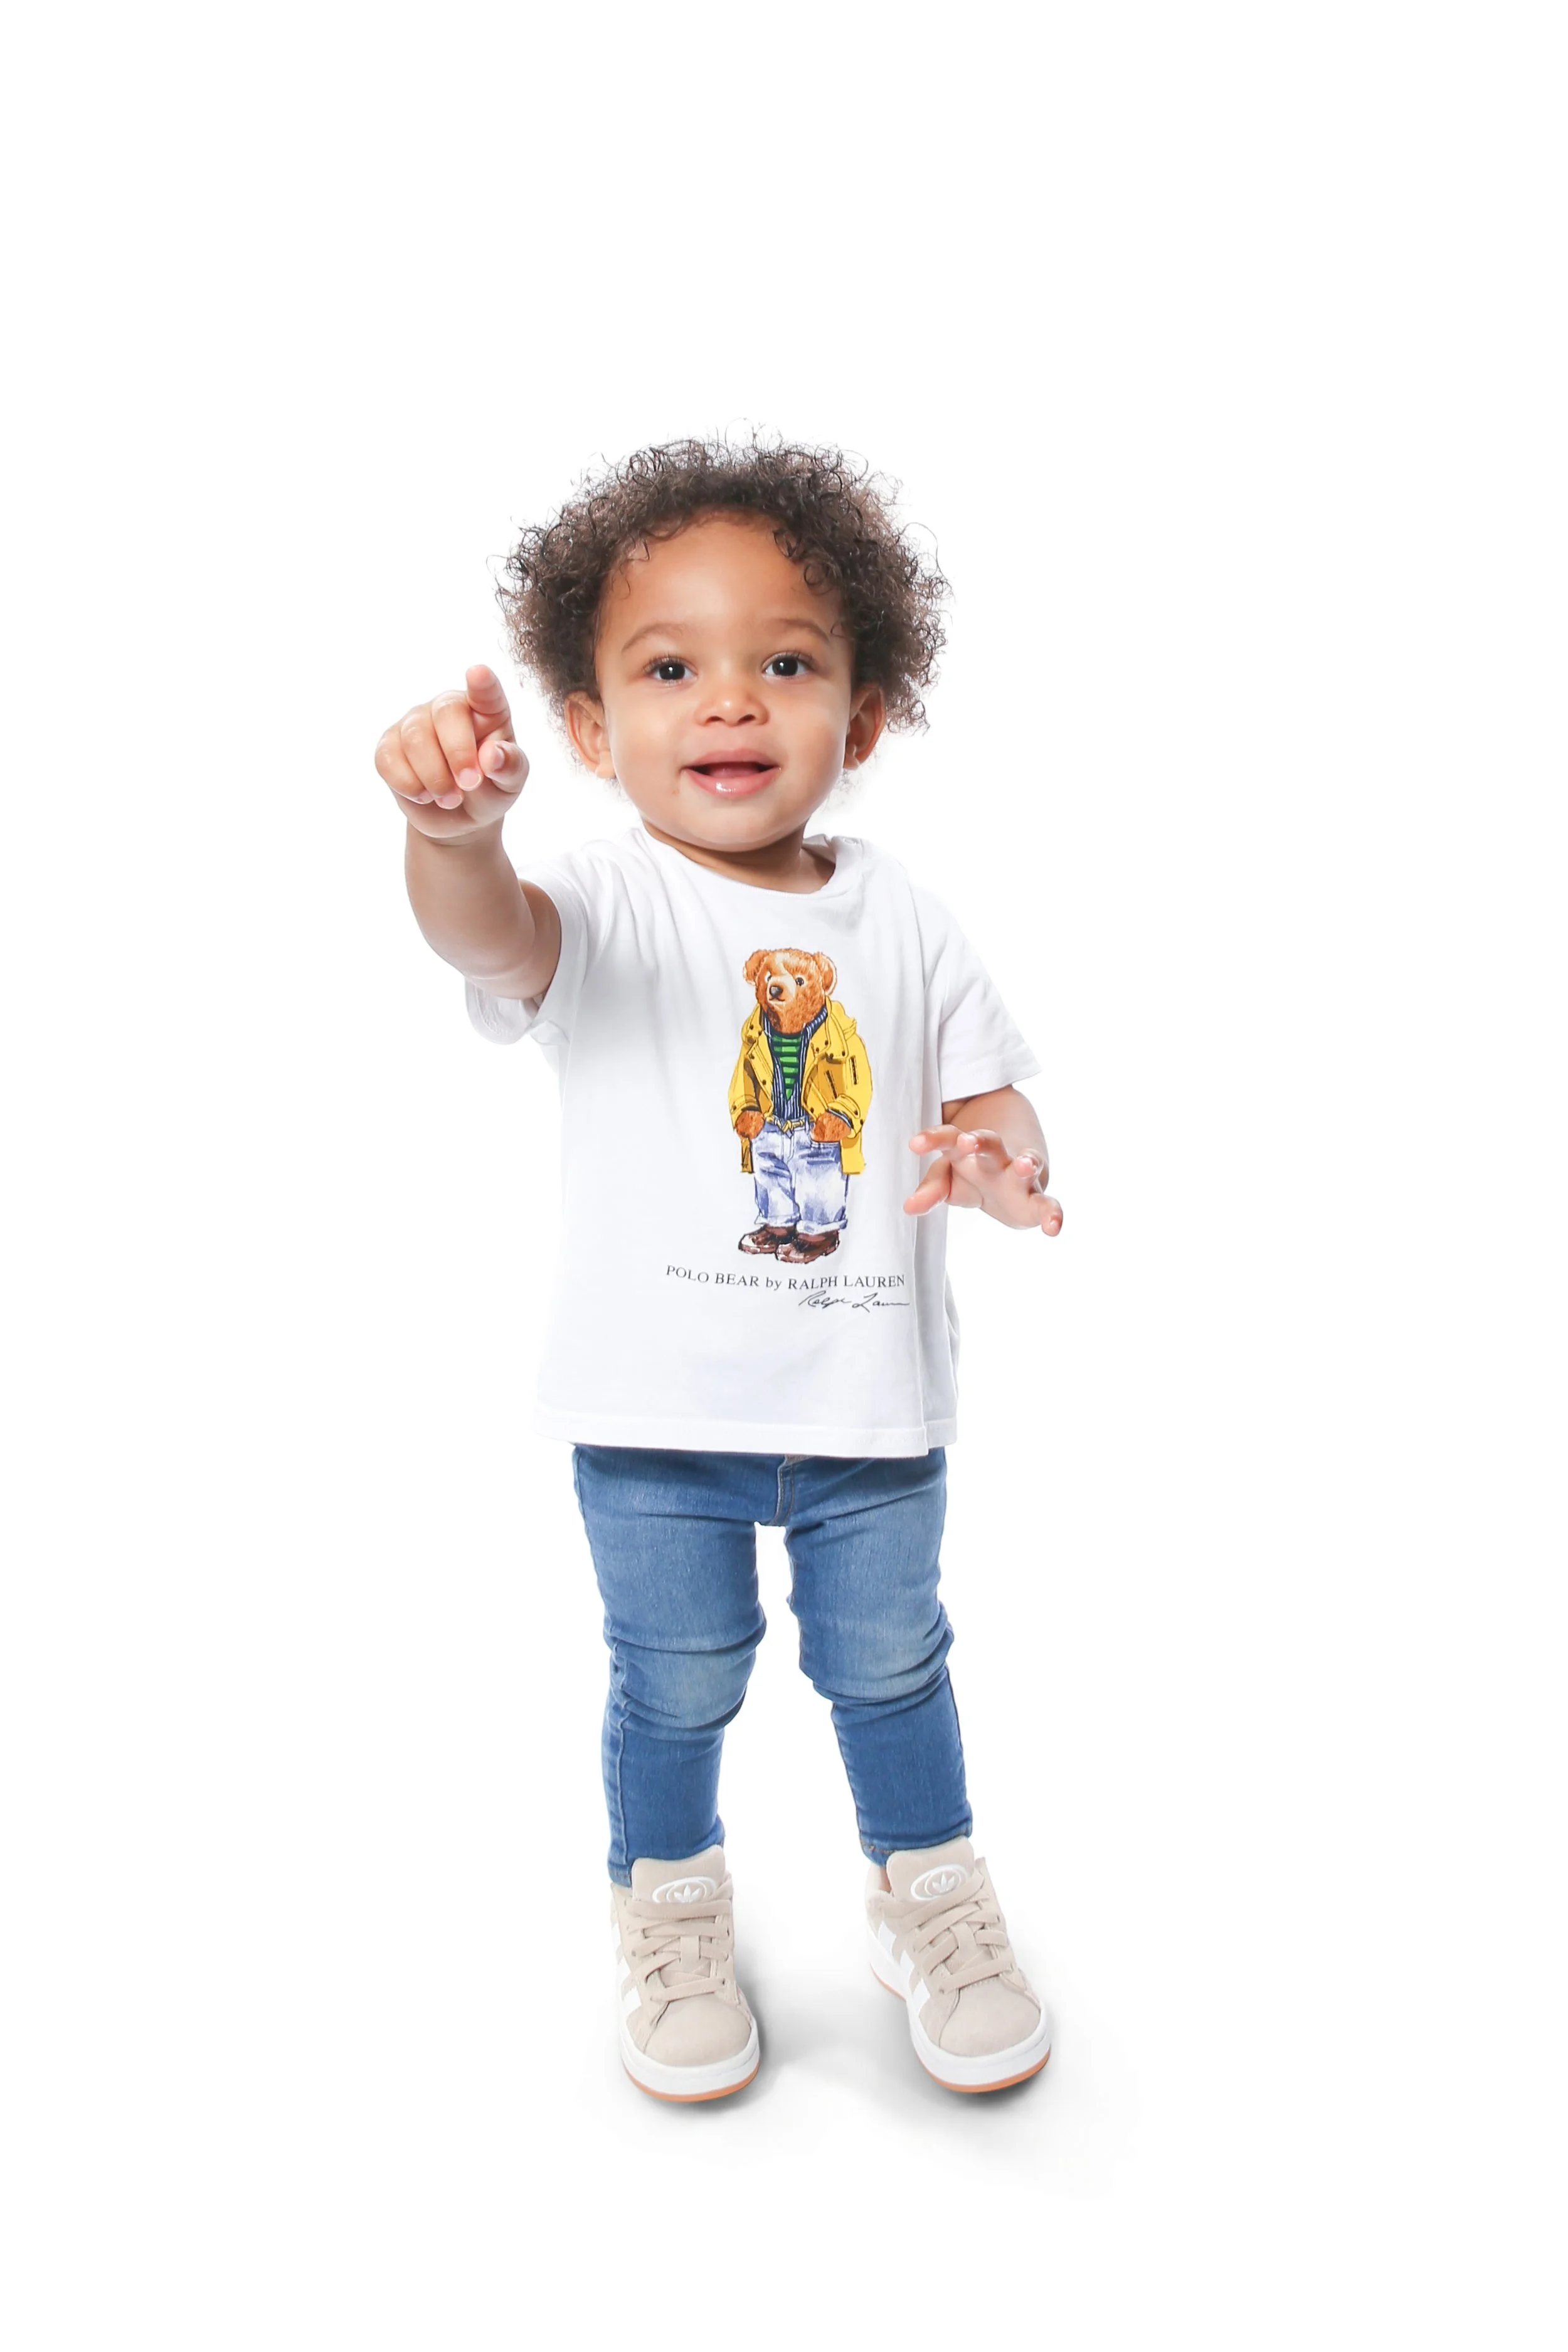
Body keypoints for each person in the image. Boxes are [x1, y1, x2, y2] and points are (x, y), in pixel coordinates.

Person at [374, 435, 1064, 2102]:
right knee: (673, 1675)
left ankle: (927, 1886)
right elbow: (488, 937)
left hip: (866, 1405)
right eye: (672, 668)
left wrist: (1001, 1163)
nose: (732, 703)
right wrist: (450, 838)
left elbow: (988, 1091)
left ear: (864, 714)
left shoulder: (905, 920)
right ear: (595, 731)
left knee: (889, 1658)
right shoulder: (606, 902)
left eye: (786, 662)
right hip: (652, 1411)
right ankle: (669, 1899)